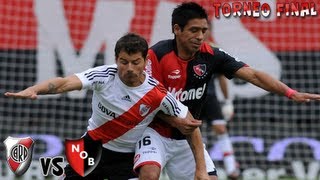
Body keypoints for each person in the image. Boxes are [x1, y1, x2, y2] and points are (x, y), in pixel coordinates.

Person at [134, 2, 320, 180]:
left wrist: (290, 93)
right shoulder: (157, 55)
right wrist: (174, 120)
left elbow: (253, 75)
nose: (200, 36)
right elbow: (145, 99)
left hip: (187, 137)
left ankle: (231, 169)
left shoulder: (211, 55)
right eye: (194, 30)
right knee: (150, 175)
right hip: (155, 132)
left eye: (203, 31)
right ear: (177, 29)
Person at [4, 33, 208, 180]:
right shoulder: (103, 75)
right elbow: (64, 83)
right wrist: (35, 89)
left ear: (146, 61)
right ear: (116, 59)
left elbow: (190, 124)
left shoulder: (158, 93)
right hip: (91, 149)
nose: (129, 68)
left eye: (135, 62)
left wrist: (201, 169)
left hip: (127, 159)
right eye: (123, 61)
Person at [199, 22, 240, 179]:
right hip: (192, 99)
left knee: (221, 129)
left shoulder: (215, 51)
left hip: (210, 98)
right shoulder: (187, 50)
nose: (203, 33)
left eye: (206, 29)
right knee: (195, 134)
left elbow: (222, 78)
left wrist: (228, 101)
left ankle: (231, 169)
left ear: (210, 31)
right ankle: (199, 168)